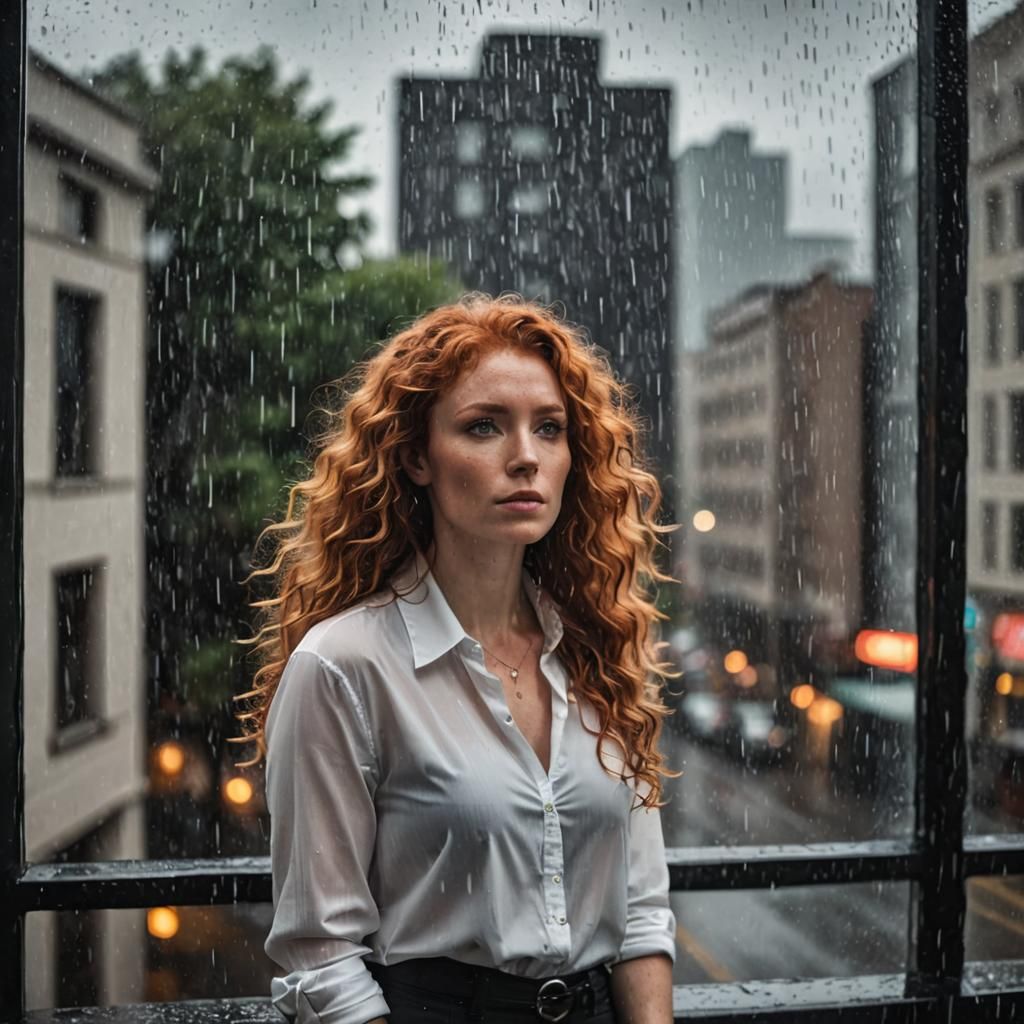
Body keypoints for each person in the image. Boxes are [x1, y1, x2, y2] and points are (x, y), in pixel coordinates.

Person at [236, 293, 679, 1023]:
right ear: (415, 456)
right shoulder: (343, 666)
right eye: (484, 427)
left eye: (550, 428)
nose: (526, 457)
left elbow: (640, 913)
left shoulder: (601, 653)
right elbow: (321, 958)